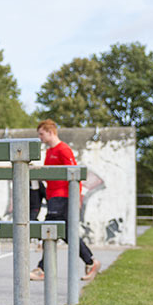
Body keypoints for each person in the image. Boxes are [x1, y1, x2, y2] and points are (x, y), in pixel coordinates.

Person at [30, 120, 101, 281]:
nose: (39, 137)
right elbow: (49, 175)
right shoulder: (49, 152)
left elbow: (74, 175)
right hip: (53, 197)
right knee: (67, 233)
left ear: (50, 132)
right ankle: (90, 261)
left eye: (41, 133)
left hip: (63, 197)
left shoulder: (64, 149)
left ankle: (42, 269)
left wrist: (77, 199)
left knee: (50, 229)